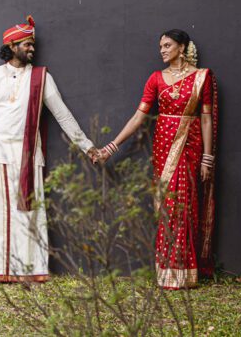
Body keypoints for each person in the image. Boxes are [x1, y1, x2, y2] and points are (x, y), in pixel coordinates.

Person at [0, 15, 99, 283]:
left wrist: (86, 146)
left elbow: (62, 115)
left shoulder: (41, 78)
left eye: (33, 45)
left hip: (28, 156)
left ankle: (28, 270)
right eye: (27, 44)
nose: (32, 49)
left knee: (28, 214)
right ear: (13, 45)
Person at [96, 29, 218, 289]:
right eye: (160, 46)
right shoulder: (156, 79)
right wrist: (111, 147)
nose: (162, 50)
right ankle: (167, 271)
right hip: (163, 147)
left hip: (190, 145)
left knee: (185, 204)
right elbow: (139, 117)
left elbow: (206, 118)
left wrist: (208, 157)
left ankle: (185, 272)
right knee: (167, 205)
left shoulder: (201, 78)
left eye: (167, 45)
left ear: (182, 47)